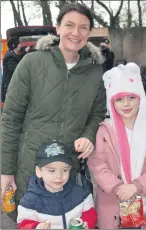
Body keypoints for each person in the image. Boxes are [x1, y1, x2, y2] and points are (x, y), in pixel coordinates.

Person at [1, 2, 106, 220]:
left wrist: (88, 135)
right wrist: (6, 171)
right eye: (69, 25)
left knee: (68, 221)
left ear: (89, 32)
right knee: (29, 222)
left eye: (83, 27)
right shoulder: (31, 63)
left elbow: (97, 114)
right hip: (30, 169)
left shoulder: (95, 72)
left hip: (68, 171)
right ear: (57, 28)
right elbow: (10, 119)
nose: (75, 33)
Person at [88, 62, 146, 229]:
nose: (126, 104)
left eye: (131, 97)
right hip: (113, 205)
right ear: (112, 102)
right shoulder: (105, 131)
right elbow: (98, 164)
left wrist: (136, 186)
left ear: (140, 97)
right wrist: (118, 187)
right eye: (119, 99)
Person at [17, 140, 97, 229]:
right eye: (52, 171)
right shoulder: (30, 200)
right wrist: (36, 227)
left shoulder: (80, 193)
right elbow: (23, 224)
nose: (59, 176)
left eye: (65, 170)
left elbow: (90, 212)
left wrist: (87, 223)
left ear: (70, 169)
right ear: (39, 171)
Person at [1, 37, 30, 110]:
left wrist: (25, 51)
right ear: (15, 46)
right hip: (9, 85)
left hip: (11, 84)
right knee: (11, 106)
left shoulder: (11, 53)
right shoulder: (10, 56)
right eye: (19, 44)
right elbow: (14, 69)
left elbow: (17, 58)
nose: (20, 45)